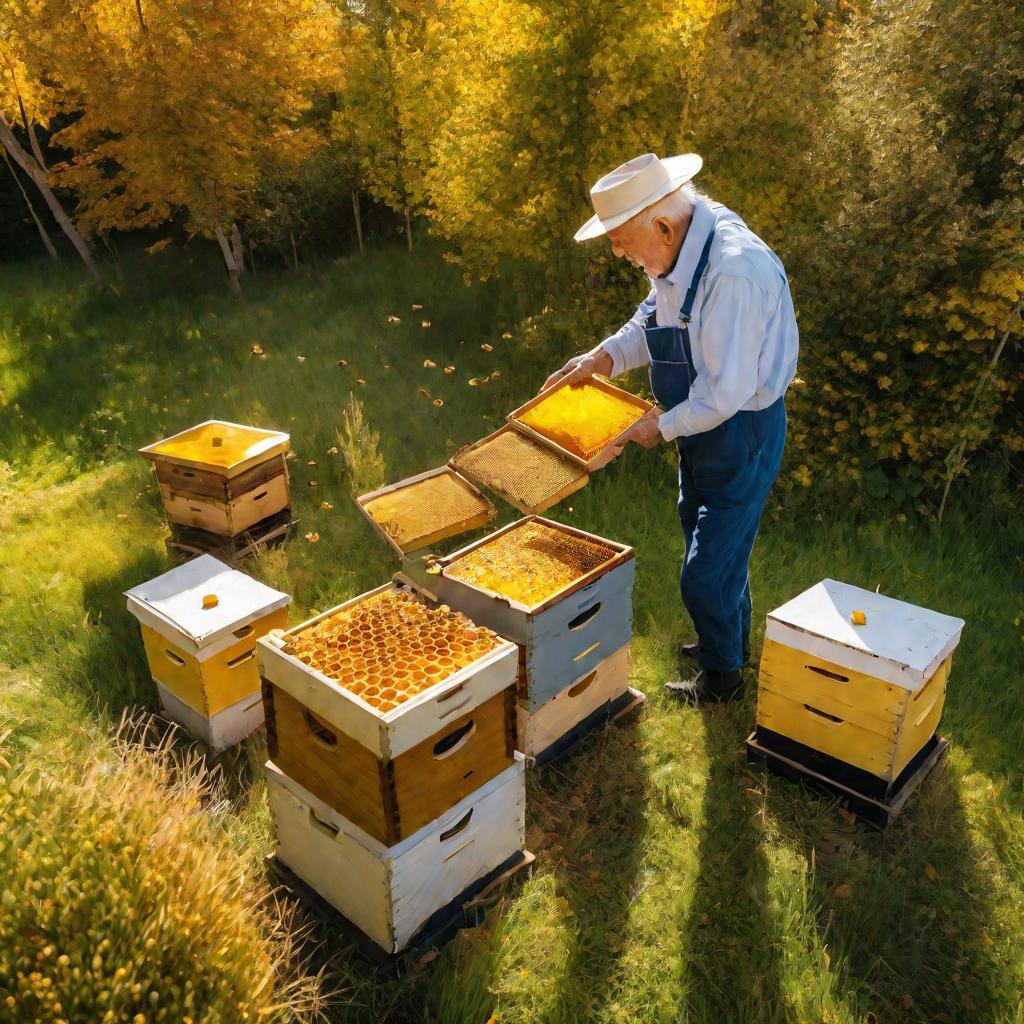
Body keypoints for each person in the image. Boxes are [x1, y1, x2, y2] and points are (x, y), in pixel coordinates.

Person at [542, 152, 798, 705]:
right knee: (706, 541)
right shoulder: (682, 246)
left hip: (743, 430)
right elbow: (652, 319)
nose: (616, 252)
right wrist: (603, 359)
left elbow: (725, 394)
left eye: (621, 239)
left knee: (705, 572)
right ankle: (723, 640)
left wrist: (655, 427)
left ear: (660, 225)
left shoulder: (732, 272)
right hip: (702, 423)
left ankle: (723, 678)